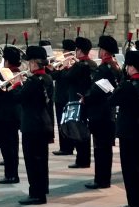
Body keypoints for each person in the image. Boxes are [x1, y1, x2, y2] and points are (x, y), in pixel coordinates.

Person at [110, 50, 139, 207]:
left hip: (128, 130)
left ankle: (133, 203)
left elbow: (112, 100)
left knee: (129, 168)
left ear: (132, 67)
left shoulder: (126, 85)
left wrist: (122, 81)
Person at [14, 46, 55, 205]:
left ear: (33, 63)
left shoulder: (32, 82)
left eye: (29, 62)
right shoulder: (47, 79)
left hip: (32, 125)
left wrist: (17, 84)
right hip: (44, 122)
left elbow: (18, 98)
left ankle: (36, 194)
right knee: (42, 160)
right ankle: (42, 189)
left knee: (32, 161)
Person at [83, 35, 122, 189]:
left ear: (105, 52)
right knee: (105, 148)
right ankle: (104, 178)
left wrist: (85, 99)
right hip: (109, 113)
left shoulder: (103, 70)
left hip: (100, 113)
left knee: (100, 149)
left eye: (100, 49)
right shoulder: (115, 67)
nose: (99, 51)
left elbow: (96, 92)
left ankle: (101, 180)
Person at [0, 46, 23, 183]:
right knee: (13, 145)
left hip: (3, 115)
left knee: (6, 146)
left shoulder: (3, 74)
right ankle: (13, 172)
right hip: (16, 114)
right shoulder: (20, 73)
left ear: (6, 60)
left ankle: (10, 174)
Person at [62, 36, 97, 168]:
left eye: (76, 49)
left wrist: (66, 67)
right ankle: (84, 159)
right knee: (85, 131)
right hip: (86, 100)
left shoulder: (79, 65)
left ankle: (81, 160)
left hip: (77, 101)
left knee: (78, 131)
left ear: (79, 50)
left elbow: (67, 78)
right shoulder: (93, 64)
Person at [51, 39, 77, 156]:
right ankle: (65, 146)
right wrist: (51, 67)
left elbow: (65, 76)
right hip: (60, 96)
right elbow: (53, 76)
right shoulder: (61, 63)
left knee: (67, 122)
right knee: (62, 123)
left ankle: (68, 147)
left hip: (66, 97)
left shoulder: (74, 64)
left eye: (65, 50)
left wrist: (63, 67)